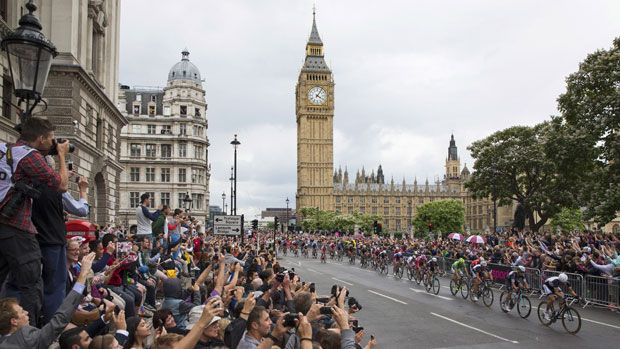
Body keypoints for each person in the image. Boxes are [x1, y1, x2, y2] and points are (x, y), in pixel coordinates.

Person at [0, 117, 70, 325]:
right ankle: (27, 335)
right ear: (40, 139)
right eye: (51, 139)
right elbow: (62, 184)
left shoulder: (5, 149)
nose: (52, 143)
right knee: (31, 284)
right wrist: (61, 156)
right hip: (16, 225)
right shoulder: (29, 156)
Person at [33, 157, 90, 324]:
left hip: (33, 239)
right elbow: (81, 210)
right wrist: (83, 191)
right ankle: (54, 328)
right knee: (55, 287)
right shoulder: (56, 187)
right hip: (52, 241)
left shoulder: (28, 182)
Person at [0, 252, 96, 349]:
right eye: (21, 311)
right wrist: (83, 273)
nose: (26, 312)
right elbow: (60, 319)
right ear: (14, 321)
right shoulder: (27, 339)